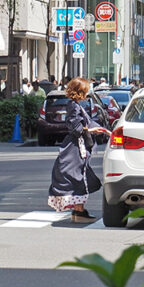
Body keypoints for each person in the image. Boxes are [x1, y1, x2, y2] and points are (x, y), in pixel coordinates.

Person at [47, 77, 111, 223]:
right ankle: (79, 211)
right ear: (80, 92)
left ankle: (78, 210)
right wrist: (93, 129)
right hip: (75, 147)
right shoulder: (74, 106)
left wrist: (102, 130)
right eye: (85, 91)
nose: (87, 93)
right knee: (77, 175)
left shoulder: (74, 105)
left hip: (76, 146)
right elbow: (76, 127)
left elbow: (84, 124)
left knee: (79, 175)